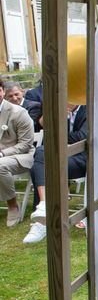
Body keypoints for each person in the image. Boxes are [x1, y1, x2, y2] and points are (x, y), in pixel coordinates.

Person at [23, 104, 87, 244]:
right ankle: (44, 211)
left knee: (41, 159)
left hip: (81, 159)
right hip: (61, 156)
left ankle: (42, 215)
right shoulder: (59, 109)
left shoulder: (88, 109)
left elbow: (82, 136)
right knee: (40, 156)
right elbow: (44, 131)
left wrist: (58, 135)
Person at [0, 79, 35, 227]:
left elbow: (25, 144)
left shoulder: (19, 113)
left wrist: (2, 153)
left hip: (21, 156)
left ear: (2, 91)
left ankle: (13, 204)